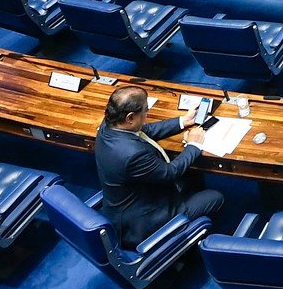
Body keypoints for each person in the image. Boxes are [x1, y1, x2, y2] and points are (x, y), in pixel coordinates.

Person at [93, 84, 223, 247]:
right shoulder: (132, 154)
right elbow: (170, 172)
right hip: (144, 222)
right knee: (215, 198)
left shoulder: (109, 125)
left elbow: (143, 131)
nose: (148, 114)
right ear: (130, 117)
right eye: (146, 110)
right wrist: (193, 145)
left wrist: (183, 121)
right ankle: (194, 251)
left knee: (192, 175)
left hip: (135, 199)